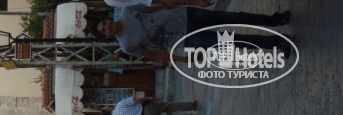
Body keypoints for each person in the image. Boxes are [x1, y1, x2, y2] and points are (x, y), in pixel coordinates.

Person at [96, 6, 292, 62]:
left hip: (186, 15)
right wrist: (182, 59)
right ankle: (276, 43)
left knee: (234, 17)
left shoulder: (127, 11)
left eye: (104, 24)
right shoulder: (126, 46)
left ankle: (274, 20)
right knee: (232, 42)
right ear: (106, 36)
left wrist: (193, 1)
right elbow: (156, 55)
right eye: (103, 30)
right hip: (186, 38)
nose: (107, 27)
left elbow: (159, 6)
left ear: (107, 20)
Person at [111, 95, 197, 115]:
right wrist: (148, 98)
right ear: (109, 109)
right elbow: (136, 100)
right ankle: (191, 106)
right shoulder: (119, 105)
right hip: (147, 108)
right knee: (170, 106)